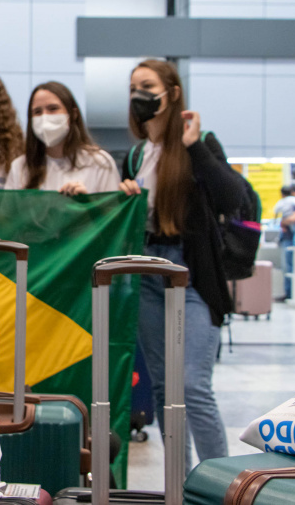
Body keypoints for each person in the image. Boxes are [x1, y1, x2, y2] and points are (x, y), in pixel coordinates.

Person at [118, 59, 246, 472]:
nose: (140, 94)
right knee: (163, 388)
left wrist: (194, 147)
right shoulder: (136, 155)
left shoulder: (200, 142)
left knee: (193, 385)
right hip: (147, 274)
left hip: (192, 276)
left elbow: (233, 198)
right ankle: (180, 488)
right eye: (134, 87)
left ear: (172, 93)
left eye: (148, 86)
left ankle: (222, 486)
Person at [4, 81, 119, 194]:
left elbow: (113, 211)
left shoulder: (100, 163)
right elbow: (8, 212)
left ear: (73, 114)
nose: (45, 117)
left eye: (53, 109)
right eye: (37, 112)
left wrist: (86, 204)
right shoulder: (20, 167)